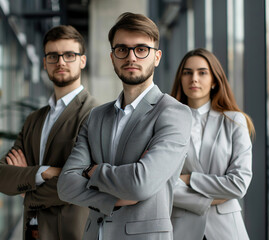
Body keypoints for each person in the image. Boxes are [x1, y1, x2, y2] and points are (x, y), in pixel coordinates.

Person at [57, 12, 192, 240]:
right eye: (122, 49)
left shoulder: (174, 113)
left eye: (141, 49)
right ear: (112, 57)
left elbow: (141, 184)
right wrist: (114, 198)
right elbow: (66, 185)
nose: (131, 57)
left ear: (157, 57)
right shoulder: (96, 116)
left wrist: (94, 171)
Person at [0, 25, 98, 240]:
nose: (60, 62)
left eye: (69, 55)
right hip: (32, 231)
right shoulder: (34, 119)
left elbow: (81, 182)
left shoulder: (94, 114)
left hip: (71, 233)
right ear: (45, 63)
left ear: (82, 61)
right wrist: (45, 173)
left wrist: (27, 187)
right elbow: (0, 176)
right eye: (53, 56)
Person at [170, 48, 255, 240]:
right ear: (180, 79)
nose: (194, 79)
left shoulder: (234, 121)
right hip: (181, 229)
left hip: (227, 230)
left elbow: (238, 184)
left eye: (202, 72)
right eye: (187, 72)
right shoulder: (166, 124)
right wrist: (214, 196)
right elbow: (162, 184)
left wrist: (188, 179)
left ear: (215, 80)